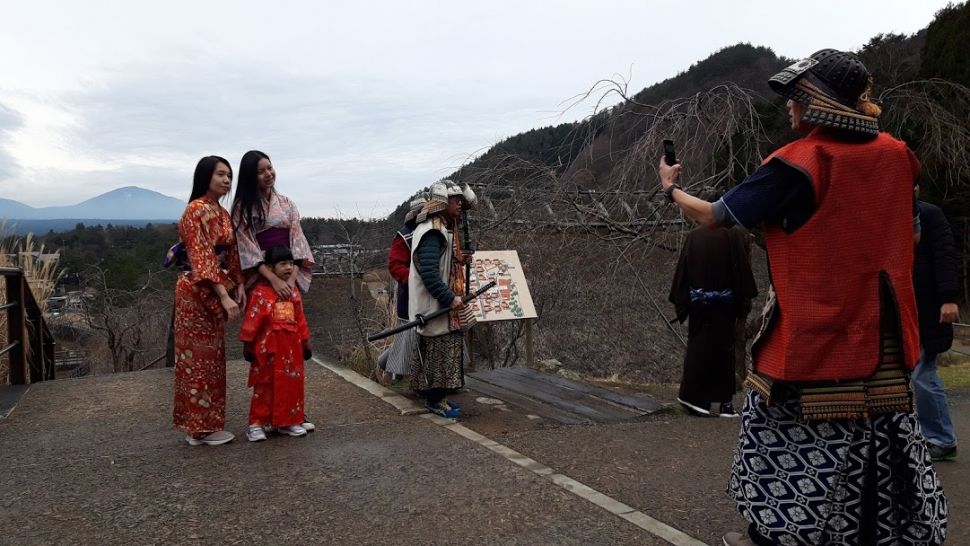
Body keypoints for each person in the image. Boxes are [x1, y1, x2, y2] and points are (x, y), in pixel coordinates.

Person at [658, 49, 947, 545]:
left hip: (816, 333)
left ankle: (772, 537)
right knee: (884, 444)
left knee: (786, 444)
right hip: (887, 337)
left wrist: (669, 189)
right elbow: (912, 234)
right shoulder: (899, 156)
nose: (789, 109)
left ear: (815, 102)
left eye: (794, 98)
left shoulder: (799, 163)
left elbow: (713, 215)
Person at [232, 150, 317, 432]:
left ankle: (292, 414)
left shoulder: (287, 204)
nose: (269, 174)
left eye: (270, 168)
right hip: (262, 278)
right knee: (265, 356)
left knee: (292, 353)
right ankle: (262, 418)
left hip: (285, 272)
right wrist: (272, 277)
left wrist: (290, 278)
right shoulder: (243, 208)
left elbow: (298, 241)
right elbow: (247, 248)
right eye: (261, 171)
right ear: (250, 177)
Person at [172, 155, 246, 446]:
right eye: (220, 174)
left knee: (213, 358)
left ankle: (206, 424)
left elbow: (232, 253)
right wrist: (224, 294)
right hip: (195, 290)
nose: (226, 180)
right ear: (205, 177)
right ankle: (198, 429)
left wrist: (238, 283)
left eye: (229, 175)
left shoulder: (221, 212)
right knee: (196, 358)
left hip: (217, 285)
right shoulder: (195, 210)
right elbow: (202, 256)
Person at [669, 224, 757, 418]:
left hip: (699, 305)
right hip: (724, 307)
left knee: (698, 348)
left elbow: (683, 271)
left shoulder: (694, 236)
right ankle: (723, 404)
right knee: (724, 352)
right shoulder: (732, 235)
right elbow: (741, 271)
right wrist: (743, 299)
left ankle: (696, 398)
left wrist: (684, 301)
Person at [408, 181, 476, 418]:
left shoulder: (442, 228)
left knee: (444, 354)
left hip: (440, 304)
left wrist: (460, 261)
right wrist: (449, 298)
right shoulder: (432, 231)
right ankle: (436, 401)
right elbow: (428, 272)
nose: (459, 203)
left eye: (460, 199)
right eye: (455, 199)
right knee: (439, 356)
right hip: (434, 305)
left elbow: (443, 263)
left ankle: (441, 399)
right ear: (442, 203)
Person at [240, 246, 312, 442]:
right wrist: (247, 345)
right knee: (265, 386)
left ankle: (288, 422)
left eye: (290, 263)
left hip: (291, 350)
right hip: (268, 350)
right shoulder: (261, 293)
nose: (288, 267)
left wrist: (305, 343)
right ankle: (256, 424)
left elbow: (300, 320)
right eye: (283, 264)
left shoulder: (293, 292)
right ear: (270, 268)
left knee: (291, 386)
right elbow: (252, 320)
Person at [914, 196, 960, 461]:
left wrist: (949, 298)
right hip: (900, 309)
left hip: (928, 306)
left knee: (922, 374)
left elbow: (945, 255)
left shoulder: (929, 214)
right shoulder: (886, 212)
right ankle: (918, 436)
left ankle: (942, 438)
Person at [379, 194, 428, 378]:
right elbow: (395, 266)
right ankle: (396, 375)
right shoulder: (405, 235)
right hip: (410, 297)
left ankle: (422, 376)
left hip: (429, 296)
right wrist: (416, 280)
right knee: (407, 338)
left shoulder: (432, 231)